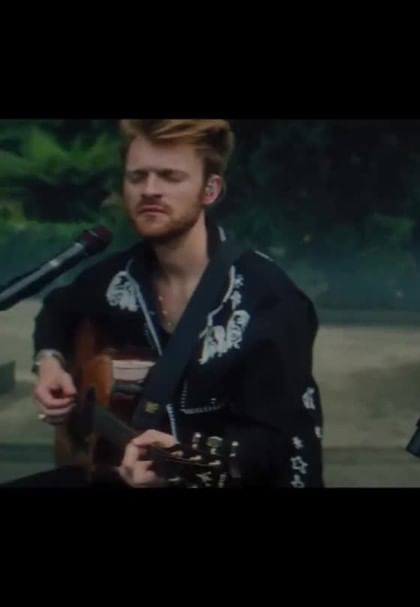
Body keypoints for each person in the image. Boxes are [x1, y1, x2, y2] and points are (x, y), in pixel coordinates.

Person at [8, 119, 323, 488]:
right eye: (137, 177)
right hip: (116, 474)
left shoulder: (269, 300)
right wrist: (50, 363)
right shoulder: (116, 277)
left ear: (210, 190)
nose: (150, 190)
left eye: (170, 177)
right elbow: (58, 310)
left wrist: (179, 463)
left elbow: (273, 446)